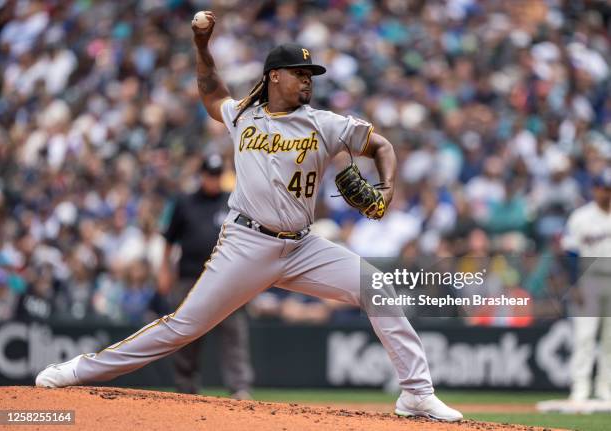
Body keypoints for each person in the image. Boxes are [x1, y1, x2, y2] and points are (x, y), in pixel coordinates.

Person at [35, 12, 462, 421]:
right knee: (182, 326)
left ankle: (417, 394)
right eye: (299, 73)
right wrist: (202, 44)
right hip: (247, 243)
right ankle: (77, 371)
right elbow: (209, 89)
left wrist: (386, 189)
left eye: (310, 75)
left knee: (378, 287)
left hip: (302, 246)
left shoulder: (323, 124)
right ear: (275, 75)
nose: (306, 81)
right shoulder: (243, 115)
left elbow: (383, 146)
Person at [159, 154, 254, 398]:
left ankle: (240, 388)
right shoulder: (184, 202)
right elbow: (169, 241)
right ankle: (186, 388)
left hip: (227, 280)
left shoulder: (232, 201)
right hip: (190, 277)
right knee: (185, 334)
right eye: (210, 175)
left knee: (234, 335)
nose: (214, 179)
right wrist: (164, 270)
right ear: (201, 175)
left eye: (217, 175)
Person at [562, 169, 611, 401]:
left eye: (609, 189)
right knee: (585, 336)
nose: (607, 193)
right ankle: (580, 388)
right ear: (595, 189)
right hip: (589, 280)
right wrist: (575, 285)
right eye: (603, 188)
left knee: (610, 340)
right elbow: (570, 254)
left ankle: (605, 388)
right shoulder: (581, 217)